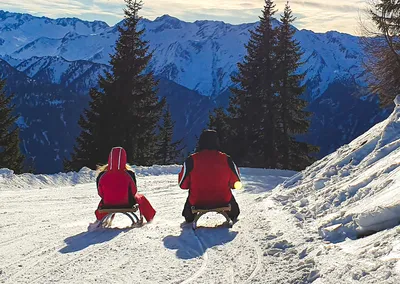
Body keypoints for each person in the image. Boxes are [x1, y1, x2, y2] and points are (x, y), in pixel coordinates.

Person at [178, 129, 241, 223]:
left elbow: (182, 185)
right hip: (223, 200)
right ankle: (231, 214)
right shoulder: (227, 159)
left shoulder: (191, 160)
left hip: (197, 201)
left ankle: (190, 216)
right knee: (235, 213)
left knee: (187, 216)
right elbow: (236, 182)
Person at [94, 146, 156, 224]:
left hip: (107, 204)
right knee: (141, 198)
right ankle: (150, 219)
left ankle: (101, 220)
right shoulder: (129, 174)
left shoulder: (102, 175)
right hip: (127, 203)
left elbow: (100, 193)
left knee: (105, 200)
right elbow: (134, 191)